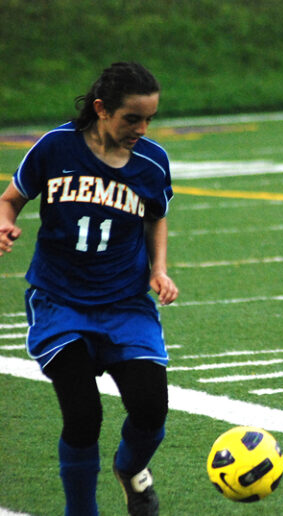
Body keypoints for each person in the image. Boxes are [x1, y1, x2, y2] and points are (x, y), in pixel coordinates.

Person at [0, 62, 178, 516]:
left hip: (125, 305)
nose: (142, 128)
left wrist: (159, 269)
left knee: (150, 409)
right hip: (59, 302)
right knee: (83, 416)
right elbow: (11, 199)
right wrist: (4, 224)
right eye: (131, 119)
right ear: (101, 109)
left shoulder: (152, 162)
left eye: (149, 119)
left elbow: (155, 216)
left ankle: (129, 468)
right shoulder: (55, 147)